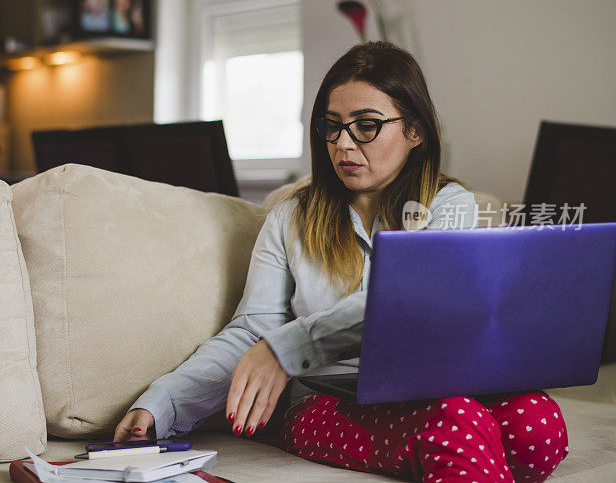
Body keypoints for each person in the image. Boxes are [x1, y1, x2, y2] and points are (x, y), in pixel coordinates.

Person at [113, 41, 568, 482]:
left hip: (427, 390)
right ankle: (451, 447)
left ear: (415, 131)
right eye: (331, 125)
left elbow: (406, 307)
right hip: (322, 405)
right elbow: (252, 335)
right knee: (457, 420)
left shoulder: (450, 206)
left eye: (366, 125)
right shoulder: (291, 217)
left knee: (539, 423)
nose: (343, 144)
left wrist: (289, 346)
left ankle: (448, 451)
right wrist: (162, 403)